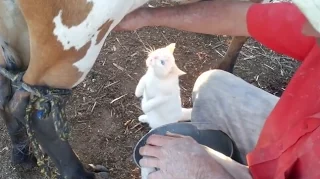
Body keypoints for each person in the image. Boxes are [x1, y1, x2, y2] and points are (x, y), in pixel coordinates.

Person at [115, 0, 320, 179]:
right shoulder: (313, 27)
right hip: (293, 141)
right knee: (212, 87)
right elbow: (240, 18)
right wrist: (147, 16)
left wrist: (203, 171)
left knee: (160, 171)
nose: (306, 29)